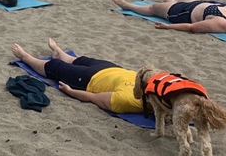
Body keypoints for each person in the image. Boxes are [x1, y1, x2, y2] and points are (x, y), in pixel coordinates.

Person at [11, 39, 143, 114]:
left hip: (90, 80)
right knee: (82, 60)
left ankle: (26, 57)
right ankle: (60, 52)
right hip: (113, 69)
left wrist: (71, 91)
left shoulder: (128, 100)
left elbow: (94, 97)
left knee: (55, 66)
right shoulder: (153, 82)